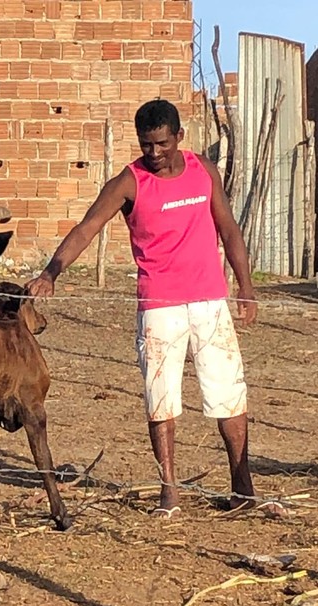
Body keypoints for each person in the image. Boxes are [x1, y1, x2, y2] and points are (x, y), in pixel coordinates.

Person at [25, 98, 285, 519]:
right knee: (160, 399)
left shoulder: (204, 171)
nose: (154, 153)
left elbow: (229, 228)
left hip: (210, 302)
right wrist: (52, 272)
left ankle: (242, 487)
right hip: (159, 306)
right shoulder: (129, 182)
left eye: (162, 143)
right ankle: (170, 491)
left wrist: (246, 286)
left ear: (179, 136)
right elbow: (88, 226)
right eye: (146, 145)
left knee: (229, 393)